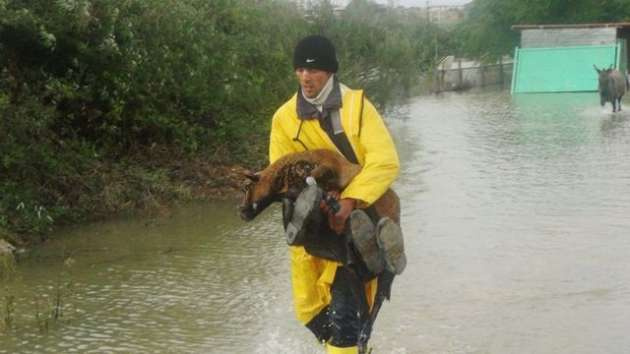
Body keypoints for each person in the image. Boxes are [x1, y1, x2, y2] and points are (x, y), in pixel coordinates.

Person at [268, 35, 405, 354]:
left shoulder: (357, 109)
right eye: (300, 69)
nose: (305, 76)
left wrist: (350, 199)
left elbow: (385, 161)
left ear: (329, 72)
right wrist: (315, 198)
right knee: (314, 314)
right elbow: (280, 173)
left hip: (359, 223)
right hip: (314, 228)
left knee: (347, 315)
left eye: (313, 70)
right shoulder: (284, 119)